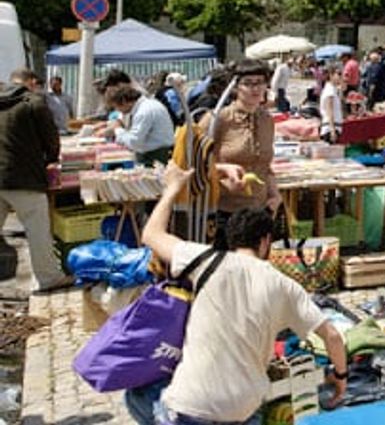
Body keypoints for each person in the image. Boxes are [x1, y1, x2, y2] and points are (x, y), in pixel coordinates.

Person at [136, 163, 347, 425]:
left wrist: (173, 189)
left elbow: (151, 234)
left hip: (191, 408)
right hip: (243, 410)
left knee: (137, 394)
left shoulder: (204, 259)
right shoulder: (285, 285)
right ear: (265, 242)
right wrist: (340, 376)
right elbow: (333, 337)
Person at [0, 70, 71, 293]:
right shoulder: (34, 103)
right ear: (31, 82)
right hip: (25, 177)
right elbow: (51, 138)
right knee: (37, 230)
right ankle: (48, 278)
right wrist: (51, 158)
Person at [208, 60, 282, 231]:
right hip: (224, 211)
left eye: (260, 82)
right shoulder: (218, 119)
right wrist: (222, 169)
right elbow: (195, 163)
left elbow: (265, 166)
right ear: (235, 87)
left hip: (260, 210)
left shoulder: (266, 120)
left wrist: (275, 195)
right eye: (248, 83)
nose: (255, 88)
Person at [105, 85, 177, 166]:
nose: (118, 110)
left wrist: (117, 130)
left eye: (116, 107)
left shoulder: (144, 111)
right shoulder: (143, 106)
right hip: (152, 153)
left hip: (156, 156)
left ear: (124, 101)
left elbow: (134, 142)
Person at [318, 65, 344, 144]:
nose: (341, 77)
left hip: (334, 126)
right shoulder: (330, 91)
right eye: (338, 74)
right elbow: (330, 111)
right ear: (331, 75)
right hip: (330, 128)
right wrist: (332, 130)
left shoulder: (333, 89)